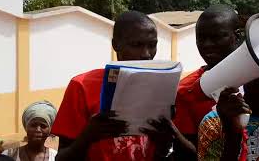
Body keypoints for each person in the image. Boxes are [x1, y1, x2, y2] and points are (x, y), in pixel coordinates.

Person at [52, 11, 180, 161]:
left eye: (152, 45)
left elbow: (160, 153)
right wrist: (88, 137)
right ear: (116, 45)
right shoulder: (81, 86)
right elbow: (61, 158)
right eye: (136, 45)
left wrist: (164, 141)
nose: (146, 54)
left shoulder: (160, 88)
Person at [173, 4, 259, 160]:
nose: (207, 44)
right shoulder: (186, 91)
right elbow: (186, 155)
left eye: (216, 37)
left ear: (236, 36)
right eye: (201, 38)